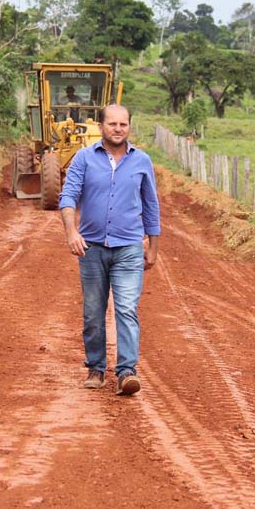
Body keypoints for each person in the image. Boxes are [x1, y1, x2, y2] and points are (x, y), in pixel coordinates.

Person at [58, 104, 160, 396]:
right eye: (112, 124)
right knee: (93, 311)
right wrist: (71, 232)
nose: (118, 129)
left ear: (129, 127)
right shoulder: (84, 158)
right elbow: (68, 196)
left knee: (126, 308)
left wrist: (153, 248)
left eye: (123, 124)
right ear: (100, 126)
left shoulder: (141, 161)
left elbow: (151, 206)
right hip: (91, 248)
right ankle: (96, 367)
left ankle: (127, 371)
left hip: (128, 246)